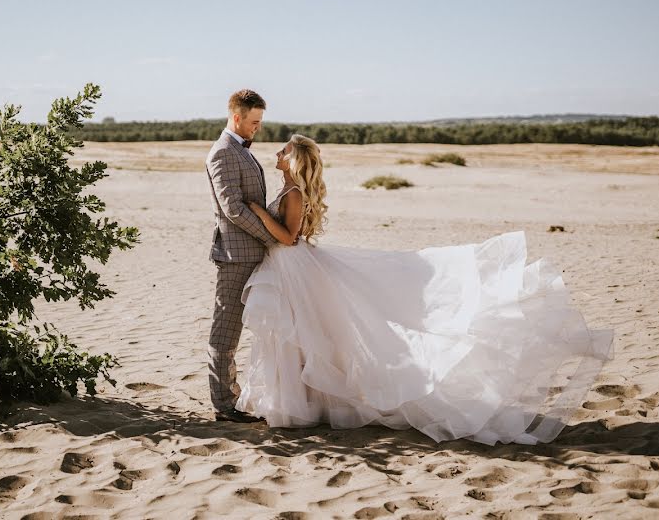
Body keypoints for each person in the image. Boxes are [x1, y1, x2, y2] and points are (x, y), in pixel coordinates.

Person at [235, 134, 615, 445]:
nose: (278, 152)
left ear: (296, 159)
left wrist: (259, 213)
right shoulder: (289, 189)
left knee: (305, 336)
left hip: (293, 267)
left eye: (284, 150)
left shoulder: (295, 194)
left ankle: (298, 407)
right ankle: (297, 403)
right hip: (291, 269)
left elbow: (287, 236)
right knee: (298, 338)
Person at [205, 89, 279, 423]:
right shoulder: (222, 152)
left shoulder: (240, 151)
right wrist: (272, 237)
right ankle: (224, 404)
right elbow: (233, 209)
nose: (257, 128)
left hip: (255, 254)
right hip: (236, 256)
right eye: (254, 122)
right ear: (237, 117)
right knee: (226, 331)